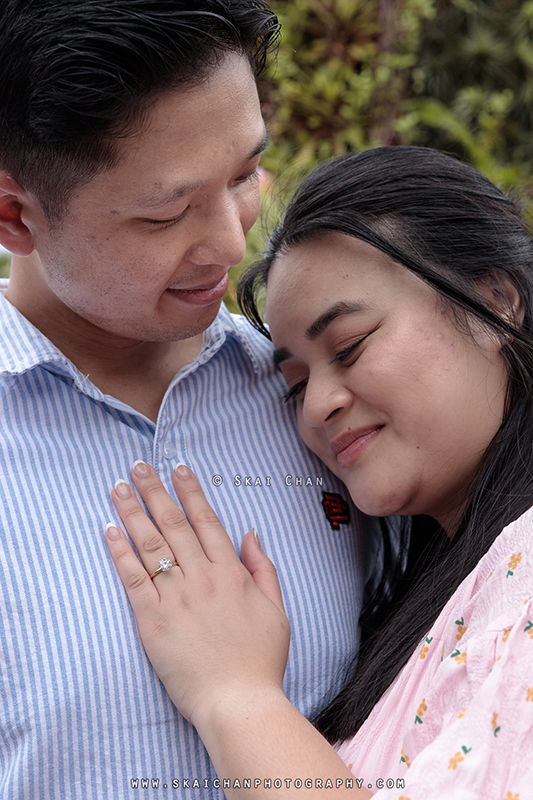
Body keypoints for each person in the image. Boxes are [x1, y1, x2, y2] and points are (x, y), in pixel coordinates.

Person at [0, 3, 373, 798]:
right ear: (13, 212)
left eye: (244, 176)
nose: (235, 246)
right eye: (165, 214)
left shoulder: (318, 398)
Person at [106, 146, 533, 799]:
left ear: (494, 304)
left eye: (350, 346)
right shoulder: (439, 579)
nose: (318, 404)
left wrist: (237, 696)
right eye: (294, 382)